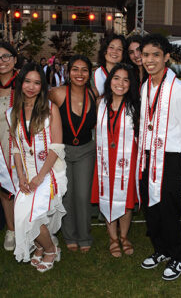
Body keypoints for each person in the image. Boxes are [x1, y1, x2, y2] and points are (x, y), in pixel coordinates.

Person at [137, 34, 181, 281]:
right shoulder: (146, 86)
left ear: (166, 57)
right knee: (151, 209)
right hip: (149, 155)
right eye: (145, 55)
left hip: (171, 158)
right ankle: (161, 249)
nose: (149, 60)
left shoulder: (179, 91)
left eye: (155, 55)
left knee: (169, 210)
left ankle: (178, 256)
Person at [7, 62, 66, 272]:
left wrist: (40, 177)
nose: (31, 87)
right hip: (27, 173)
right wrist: (22, 177)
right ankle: (41, 246)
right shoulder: (13, 112)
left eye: (37, 83)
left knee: (34, 216)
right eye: (27, 81)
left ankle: (50, 249)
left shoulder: (51, 109)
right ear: (21, 83)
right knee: (21, 214)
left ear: (42, 86)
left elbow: (57, 146)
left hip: (50, 172)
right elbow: (16, 147)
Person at [50, 55, 99, 253]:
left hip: (86, 150)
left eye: (84, 70)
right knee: (67, 195)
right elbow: (40, 111)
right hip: (63, 152)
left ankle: (84, 235)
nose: (80, 74)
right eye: (75, 69)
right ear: (68, 72)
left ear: (90, 73)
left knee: (82, 194)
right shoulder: (57, 93)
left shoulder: (94, 94)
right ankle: (69, 235)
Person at [97, 63, 140, 257]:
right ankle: (112, 237)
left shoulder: (136, 107)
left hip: (127, 160)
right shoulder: (100, 104)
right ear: (109, 80)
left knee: (126, 197)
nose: (120, 83)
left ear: (130, 84)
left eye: (125, 79)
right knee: (108, 195)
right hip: (105, 159)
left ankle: (124, 236)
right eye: (116, 78)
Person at [0, 41, 18, 251]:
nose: (2, 61)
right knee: (5, 190)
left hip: (21, 146)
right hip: (1, 146)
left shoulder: (25, 83)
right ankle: (11, 229)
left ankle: (27, 228)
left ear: (14, 59)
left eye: (6, 56)